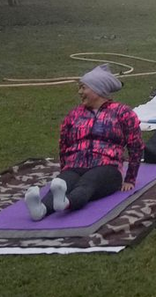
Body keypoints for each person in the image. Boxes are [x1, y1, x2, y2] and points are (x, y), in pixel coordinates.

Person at [23, 65, 143, 221]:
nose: (80, 92)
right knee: (63, 183)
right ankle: (41, 209)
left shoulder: (123, 113)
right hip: (76, 164)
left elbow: (136, 146)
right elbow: (64, 144)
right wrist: (64, 170)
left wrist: (130, 178)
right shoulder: (74, 114)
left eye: (83, 87)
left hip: (107, 167)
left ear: (97, 89)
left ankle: (67, 203)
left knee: (88, 183)